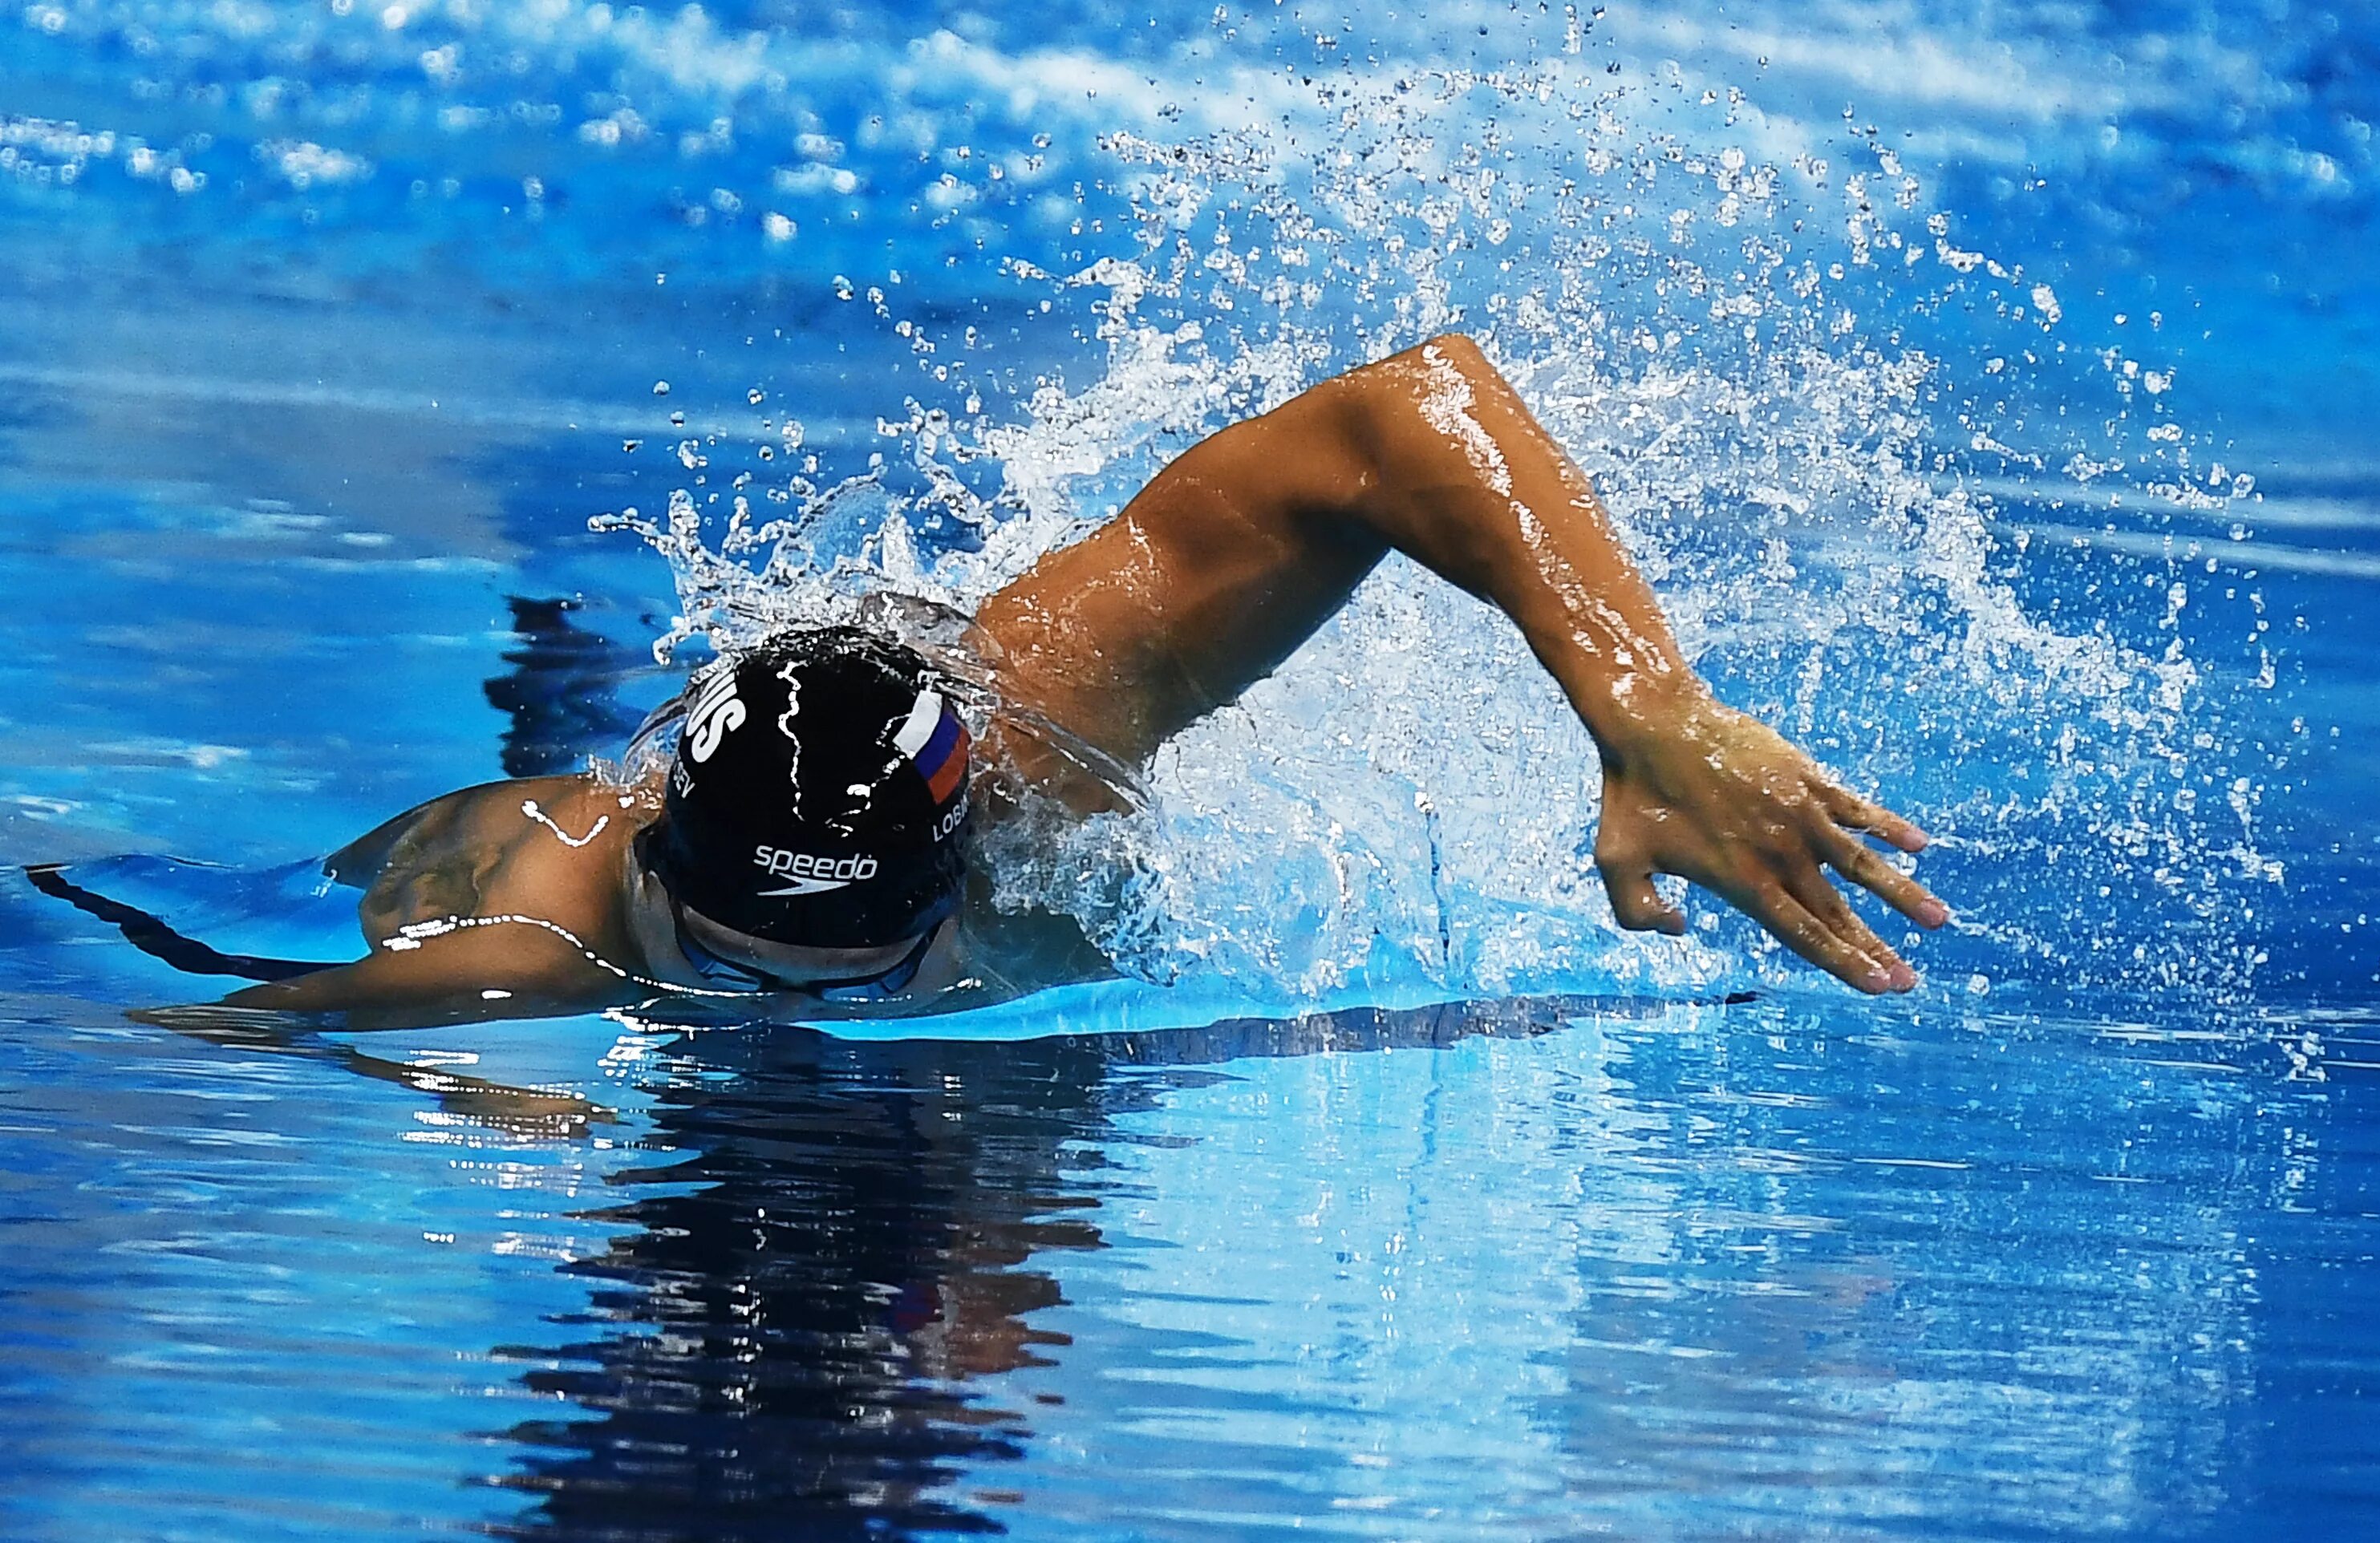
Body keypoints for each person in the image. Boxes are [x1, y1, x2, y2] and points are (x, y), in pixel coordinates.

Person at [172, 334, 1949, 1028]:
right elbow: (218, 1028)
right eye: (724, 962)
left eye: (861, 969)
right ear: (651, 866)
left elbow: (1414, 411)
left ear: (962, 867)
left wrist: (1640, 700)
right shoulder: (549, 900)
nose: (797, 1013)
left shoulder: (1035, 735)